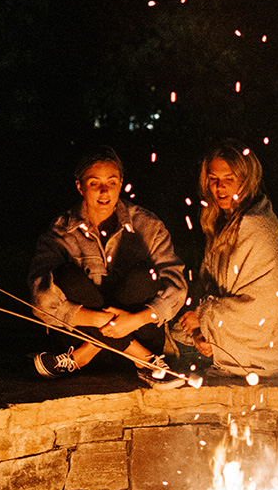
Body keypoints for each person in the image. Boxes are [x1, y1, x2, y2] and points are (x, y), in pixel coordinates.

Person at [28, 146, 188, 388]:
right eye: (94, 183)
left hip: (137, 335)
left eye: (111, 183)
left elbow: (176, 285)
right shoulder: (61, 232)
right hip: (82, 340)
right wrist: (98, 319)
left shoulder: (148, 225)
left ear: (121, 183)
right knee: (66, 276)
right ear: (80, 186)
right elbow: (40, 297)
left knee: (144, 276)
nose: (104, 191)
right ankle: (145, 360)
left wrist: (135, 320)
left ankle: (82, 357)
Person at [175, 141, 278, 378]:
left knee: (179, 350)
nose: (220, 187)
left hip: (274, 344)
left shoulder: (256, 227)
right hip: (230, 324)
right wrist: (200, 331)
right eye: (213, 179)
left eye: (229, 179)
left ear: (246, 180)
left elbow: (261, 311)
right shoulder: (222, 222)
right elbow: (207, 284)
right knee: (173, 331)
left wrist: (203, 317)